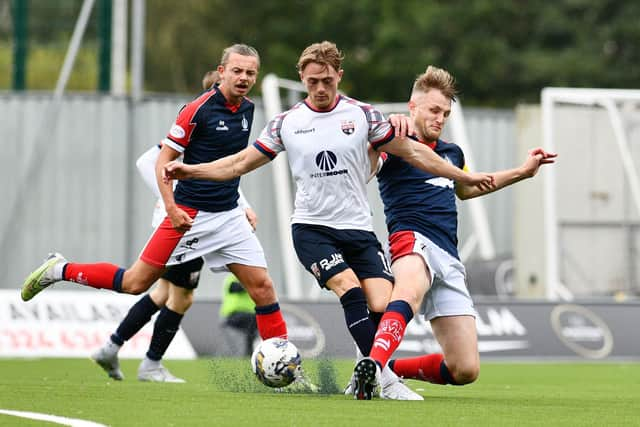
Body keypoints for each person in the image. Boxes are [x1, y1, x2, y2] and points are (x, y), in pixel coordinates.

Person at [162, 41, 495, 400]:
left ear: (339, 76)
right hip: (312, 229)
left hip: (358, 229)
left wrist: (462, 177)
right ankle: (383, 380)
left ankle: (363, 376)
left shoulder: (362, 115)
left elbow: (415, 153)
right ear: (302, 79)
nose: (320, 88)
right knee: (349, 287)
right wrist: (192, 170)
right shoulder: (286, 123)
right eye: (312, 81)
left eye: (327, 80)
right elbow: (238, 163)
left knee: (383, 304)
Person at [21, 44, 289, 370]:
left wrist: (243, 204)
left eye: (250, 72)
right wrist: (172, 208)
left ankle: (283, 365)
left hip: (228, 216)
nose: (244, 77)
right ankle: (59, 269)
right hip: (189, 215)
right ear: (222, 71)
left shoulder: (247, 110)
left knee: (262, 287)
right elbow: (161, 162)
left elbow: (230, 166)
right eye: (237, 70)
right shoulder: (196, 110)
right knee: (137, 284)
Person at [352, 65, 556, 396]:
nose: (440, 118)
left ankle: (385, 370)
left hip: (448, 255)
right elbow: (365, 162)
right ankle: (373, 368)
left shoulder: (451, 153)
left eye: (445, 113)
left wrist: (523, 172)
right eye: (434, 110)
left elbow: (468, 188)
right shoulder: (396, 143)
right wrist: (382, 132)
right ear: (412, 106)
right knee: (409, 292)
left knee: (465, 368)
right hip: (411, 239)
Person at [89, 70, 258, 383]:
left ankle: (112, 347)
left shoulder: (224, 132)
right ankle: (149, 363)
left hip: (204, 218)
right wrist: (172, 202)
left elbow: (221, 177)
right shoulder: (195, 129)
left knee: (163, 292)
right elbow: (149, 162)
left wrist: (242, 206)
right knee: (173, 295)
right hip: (189, 222)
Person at [219, 273, 258, 357]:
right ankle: (247, 353)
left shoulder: (254, 279)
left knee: (252, 329)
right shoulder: (233, 278)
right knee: (252, 323)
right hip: (233, 315)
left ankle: (249, 354)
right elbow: (234, 287)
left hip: (251, 316)